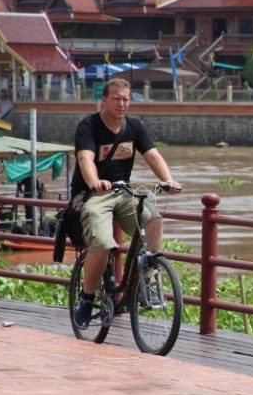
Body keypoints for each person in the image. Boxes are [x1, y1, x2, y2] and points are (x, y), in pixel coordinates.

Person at [71, 78, 181, 329]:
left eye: (126, 99)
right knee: (103, 243)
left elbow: (152, 155)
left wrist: (168, 180)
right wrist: (95, 181)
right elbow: (85, 159)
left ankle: (148, 278)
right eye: (117, 98)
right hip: (91, 195)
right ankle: (87, 299)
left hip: (122, 192)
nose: (122, 104)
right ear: (104, 100)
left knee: (153, 218)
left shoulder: (134, 127)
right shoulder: (88, 126)